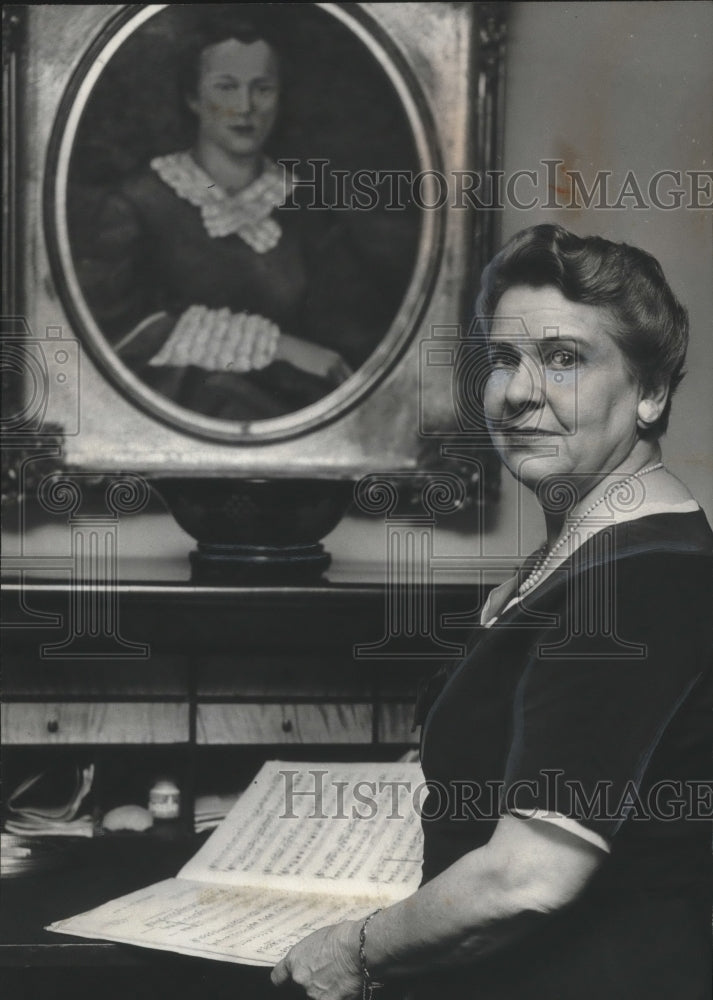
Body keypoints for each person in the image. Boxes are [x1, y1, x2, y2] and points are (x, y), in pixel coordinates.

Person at [270, 225, 713, 998]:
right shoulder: (584, 555)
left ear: (649, 392)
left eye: (563, 359)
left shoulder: (640, 582)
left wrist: (354, 949)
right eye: (502, 359)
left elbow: (527, 879)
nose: (515, 392)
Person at [71, 18, 398, 421]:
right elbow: (112, 338)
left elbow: (348, 347)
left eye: (262, 89)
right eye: (226, 87)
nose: (245, 107)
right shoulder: (139, 204)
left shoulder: (306, 207)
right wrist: (278, 346)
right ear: (193, 98)